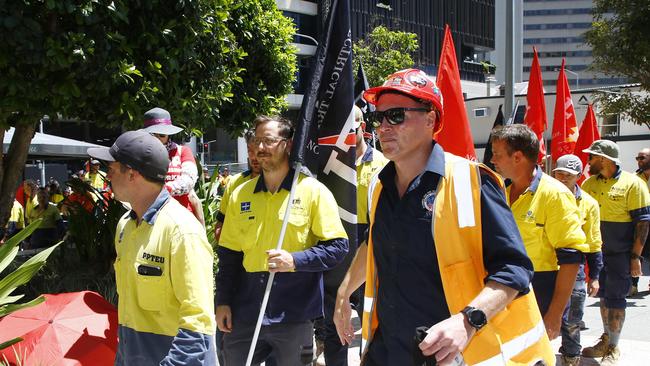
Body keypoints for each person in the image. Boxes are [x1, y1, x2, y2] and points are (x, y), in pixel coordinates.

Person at [334, 69, 553, 365]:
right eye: (379, 117)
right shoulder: (379, 186)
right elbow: (374, 244)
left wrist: (467, 321)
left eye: (396, 115)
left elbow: (514, 269)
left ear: (430, 119)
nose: (383, 126)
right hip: (388, 353)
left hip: (452, 355)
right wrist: (344, 292)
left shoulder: (472, 182)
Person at [216, 115, 349, 366]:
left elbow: (338, 247)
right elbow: (229, 256)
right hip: (245, 313)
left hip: (294, 313)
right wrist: (222, 302)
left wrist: (294, 260)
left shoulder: (313, 191)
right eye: (256, 141)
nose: (260, 148)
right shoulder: (239, 194)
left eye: (268, 140)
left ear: (287, 144)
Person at [87, 130, 216, 365]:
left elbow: (199, 322)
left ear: (132, 175)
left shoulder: (182, 231)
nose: (107, 176)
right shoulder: (125, 226)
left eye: (112, 169)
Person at [490, 124, 587, 340]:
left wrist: (555, 313)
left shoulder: (555, 195)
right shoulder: (499, 190)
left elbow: (571, 258)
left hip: (538, 289)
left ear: (517, 157)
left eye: (497, 154)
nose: (492, 160)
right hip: (502, 286)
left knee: (533, 358)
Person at [315, 105, 388, 366]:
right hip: (338, 239)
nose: (346, 136)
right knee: (335, 314)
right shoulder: (329, 166)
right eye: (341, 132)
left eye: (352, 130)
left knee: (374, 314)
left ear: (363, 129)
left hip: (369, 238)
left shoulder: (382, 163)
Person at [580, 140, 650, 365]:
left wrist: (635, 257)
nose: (588, 161)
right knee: (603, 296)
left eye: (591, 156)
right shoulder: (589, 183)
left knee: (616, 298)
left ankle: (614, 346)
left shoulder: (633, 184)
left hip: (621, 253)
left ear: (603, 159)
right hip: (598, 253)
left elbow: (642, 223)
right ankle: (606, 338)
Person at [552, 154, 603, 366]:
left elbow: (593, 242)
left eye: (569, 175)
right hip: (544, 265)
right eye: (559, 174)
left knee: (572, 319)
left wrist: (595, 277)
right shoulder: (543, 195)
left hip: (575, 268)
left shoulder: (589, 204)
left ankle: (571, 356)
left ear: (578, 177)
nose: (563, 178)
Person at [143, 107, 205, 226]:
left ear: (168, 135)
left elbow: (189, 180)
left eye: (161, 135)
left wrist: (163, 190)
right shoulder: (141, 157)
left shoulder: (182, 151)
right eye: (152, 135)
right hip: (152, 220)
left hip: (183, 219)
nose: (158, 139)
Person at [214, 129, 261, 242]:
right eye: (250, 151)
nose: (254, 157)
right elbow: (221, 222)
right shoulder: (235, 182)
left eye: (258, 151)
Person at [630, 147, 650, 294]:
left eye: (642, 158)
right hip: (640, 221)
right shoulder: (633, 179)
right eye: (638, 158)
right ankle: (633, 285)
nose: (639, 161)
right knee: (638, 250)